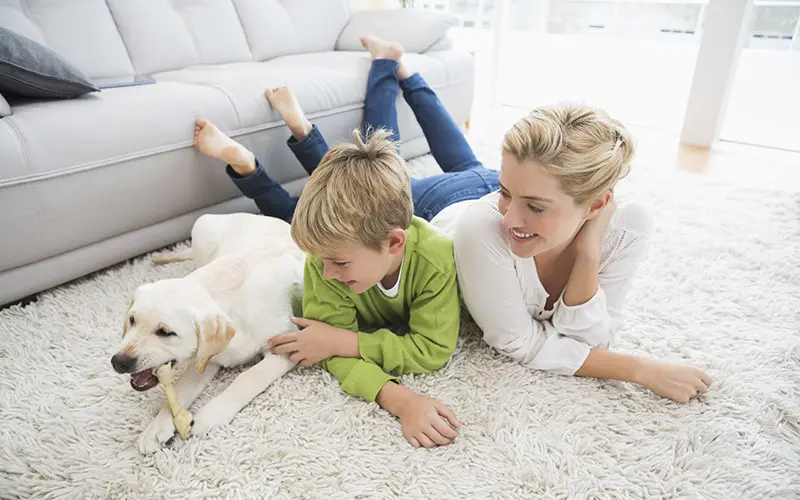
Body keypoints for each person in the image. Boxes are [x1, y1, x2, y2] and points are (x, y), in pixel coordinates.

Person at [192, 35, 500, 448]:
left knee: (440, 159)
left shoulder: (437, 256)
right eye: (321, 261)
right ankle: (390, 70)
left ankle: (395, 70)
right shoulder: (324, 264)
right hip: (447, 188)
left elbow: (431, 349)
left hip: (472, 191)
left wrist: (349, 342)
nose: (324, 272)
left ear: (394, 243)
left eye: (337, 262)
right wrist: (394, 393)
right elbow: (323, 344)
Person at [434, 103, 712, 404]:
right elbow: (518, 342)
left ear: (595, 207)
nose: (509, 220)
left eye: (535, 207)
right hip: (444, 202)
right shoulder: (482, 227)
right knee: (388, 158)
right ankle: (395, 68)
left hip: (510, 184)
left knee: (465, 163)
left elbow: (595, 339)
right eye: (506, 194)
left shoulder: (628, 228)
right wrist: (640, 370)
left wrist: (588, 254)